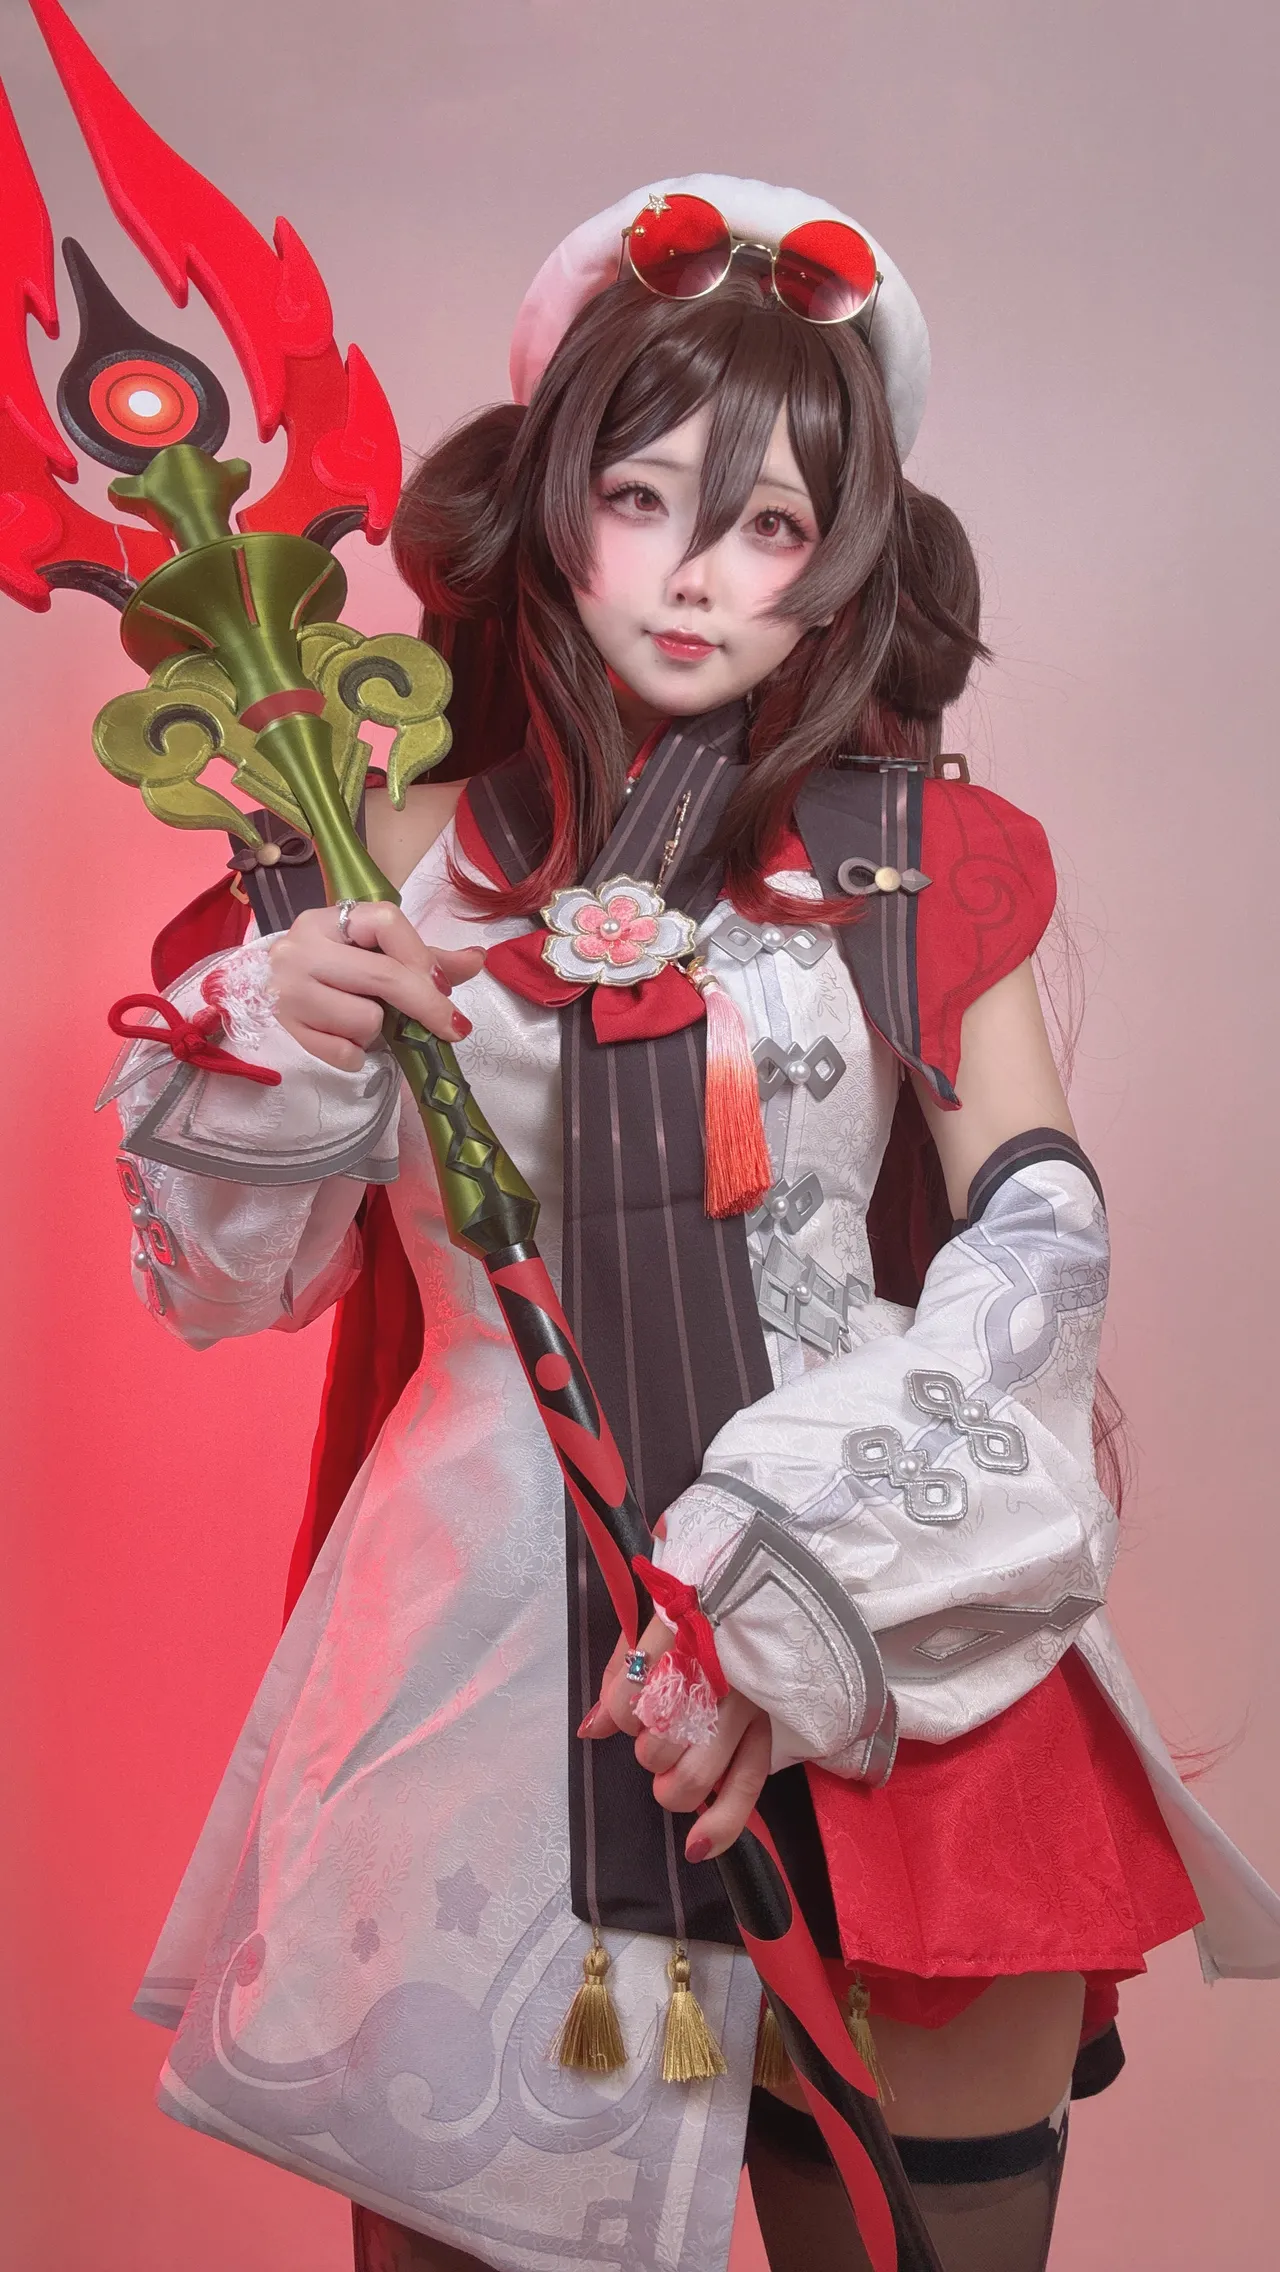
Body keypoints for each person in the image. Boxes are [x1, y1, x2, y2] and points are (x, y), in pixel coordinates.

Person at [109, 177, 1280, 2272]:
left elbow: (1039, 1232)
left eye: (768, 526)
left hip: (882, 1597)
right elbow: (225, 1286)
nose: (695, 574)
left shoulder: (926, 856)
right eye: (642, 497)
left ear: (843, 564)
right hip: (487, 1635)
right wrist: (270, 1031)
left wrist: (791, 1591)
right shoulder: (364, 853)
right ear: (551, 501)